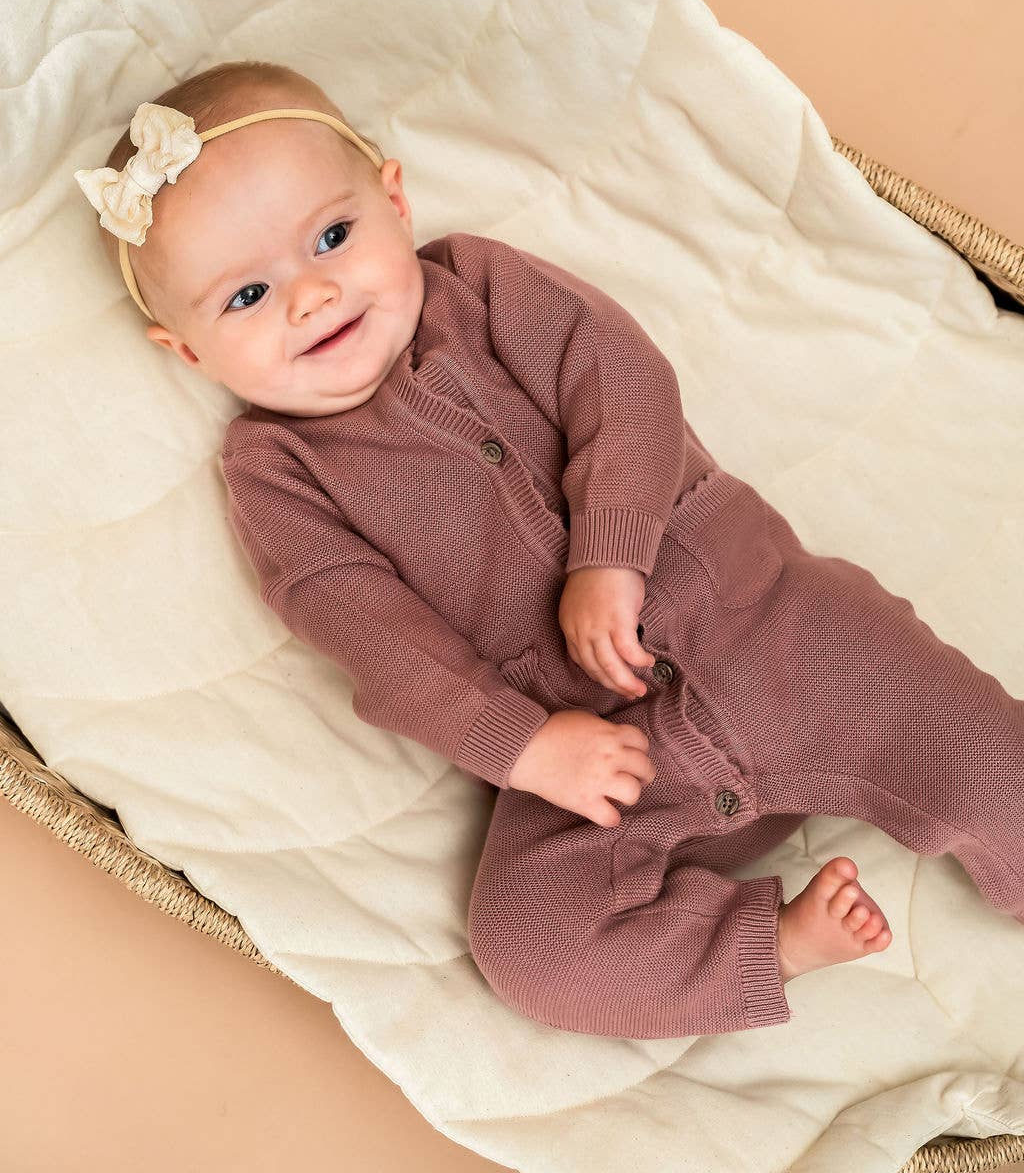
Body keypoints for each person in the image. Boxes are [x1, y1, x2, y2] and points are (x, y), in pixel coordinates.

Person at [74, 59, 1024, 1038]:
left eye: (331, 236)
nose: (311, 296)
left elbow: (626, 387)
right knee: (530, 950)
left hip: (767, 626)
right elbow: (374, 635)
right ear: (184, 351)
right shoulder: (276, 471)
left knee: (980, 750)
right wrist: (525, 747)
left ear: (393, 200)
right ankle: (771, 944)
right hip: (601, 756)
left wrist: (609, 552)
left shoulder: (482, 286)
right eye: (245, 297)